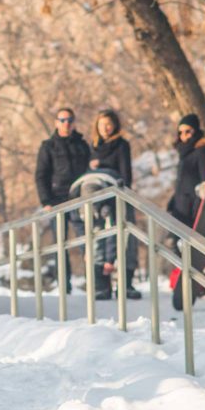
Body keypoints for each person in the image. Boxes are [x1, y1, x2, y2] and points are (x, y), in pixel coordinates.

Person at [34, 108, 90, 291]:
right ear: (56, 122)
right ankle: (64, 286)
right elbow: (41, 175)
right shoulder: (48, 146)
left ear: (74, 122)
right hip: (57, 200)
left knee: (86, 240)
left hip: (80, 197)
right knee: (60, 243)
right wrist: (46, 201)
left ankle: (93, 283)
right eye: (63, 120)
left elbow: (90, 171)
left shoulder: (82, 145)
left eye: (70, 120)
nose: (67, 123)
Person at [87, 109, 140, 300]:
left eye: (109, 124)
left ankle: (125, 284)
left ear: (115, 125)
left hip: (119, 194)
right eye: (102, 125)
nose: (106, 128)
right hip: (99, 200)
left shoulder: (121, 145)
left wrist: (101, 164)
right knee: (99, 238)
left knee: (126, 238)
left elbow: (126, 174)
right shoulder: (92, 146)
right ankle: (102, 286)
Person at [167, 113, 205, 228]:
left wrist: (198, 209)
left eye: (187, 131)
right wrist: (173, 201)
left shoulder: (202, 151)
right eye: (180, 132)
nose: (183, 135)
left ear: (195, 131)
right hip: (180, 209)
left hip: (193, 211)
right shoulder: (184, 154)